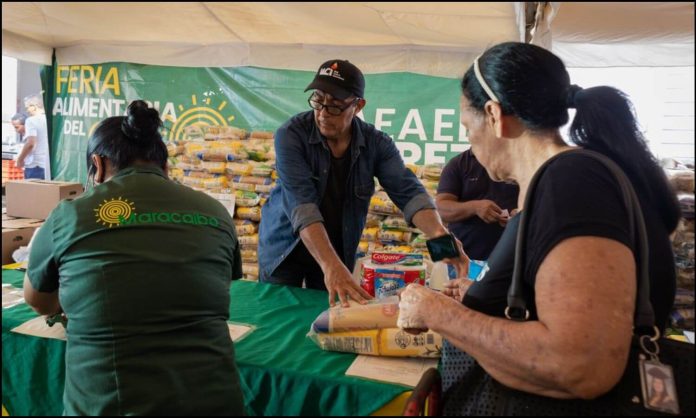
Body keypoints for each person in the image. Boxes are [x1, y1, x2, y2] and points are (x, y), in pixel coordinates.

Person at [397, 42, 679, 414]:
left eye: (468, 128)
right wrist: (480, 297)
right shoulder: (566, 180)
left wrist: (439, 313)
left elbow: (580, 364)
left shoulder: (571, 182)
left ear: (495, 115)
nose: (470, 142)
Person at [23, 100, 246, 415]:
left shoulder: (70, 215)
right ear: (165, 167)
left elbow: (40, 302)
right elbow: (214, 283)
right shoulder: (215, 212)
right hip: (215, 402)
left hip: (112, 404)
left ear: (97, 166)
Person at [258, 59, 468, 307]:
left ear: (357, 106)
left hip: (336, 245)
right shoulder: (291, 135)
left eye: (335, 106)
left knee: (328, 317)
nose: (323, 113)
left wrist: (439, 236)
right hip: (285, 247)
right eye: (318, 100)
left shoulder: (377, 143)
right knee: (277, 314)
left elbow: (407, 190)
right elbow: (302, 206)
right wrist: (332, 267)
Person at [436, 148, 519, 261]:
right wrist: (474, 207)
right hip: (466, 256)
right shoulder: (458, 164)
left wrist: (521, 213)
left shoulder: (519, 162)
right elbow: (441, 209)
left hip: (512, 255)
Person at [16, 94, 50, 179]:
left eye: (27, 107)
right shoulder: (50, 119)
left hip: (35, 166)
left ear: (33, 107)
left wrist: (20, 159)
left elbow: (31, 143)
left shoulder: (31, 121)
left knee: (31, 192)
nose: (27, 110)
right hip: (48, 166)